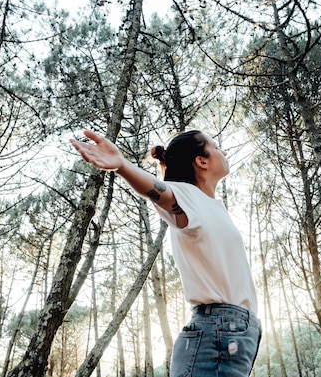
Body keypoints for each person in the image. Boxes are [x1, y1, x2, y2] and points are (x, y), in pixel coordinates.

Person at [70, 129, 261, 377]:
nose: (223, 151)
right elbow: (159, 191)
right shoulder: (187, 196)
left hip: (236, 335)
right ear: (201, 161)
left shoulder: (211, 205)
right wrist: (122, 166)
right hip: (216, 334)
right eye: (216, 147)